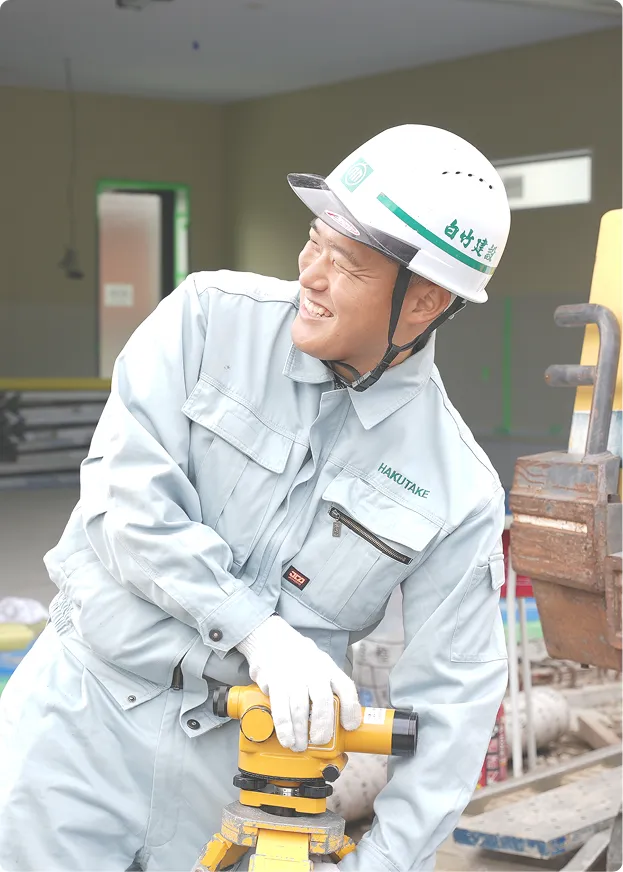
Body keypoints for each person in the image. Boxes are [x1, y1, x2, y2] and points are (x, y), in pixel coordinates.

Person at [0, 124, 510, 872]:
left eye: (346, 263)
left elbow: (454, 702)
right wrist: (257, 632)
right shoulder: (207, 320)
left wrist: (379, 864)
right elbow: (123, 502)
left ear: (424, 302)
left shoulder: (457, 486)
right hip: (79, 722)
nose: (311, 274)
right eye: (313, 242)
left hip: (246, 781)